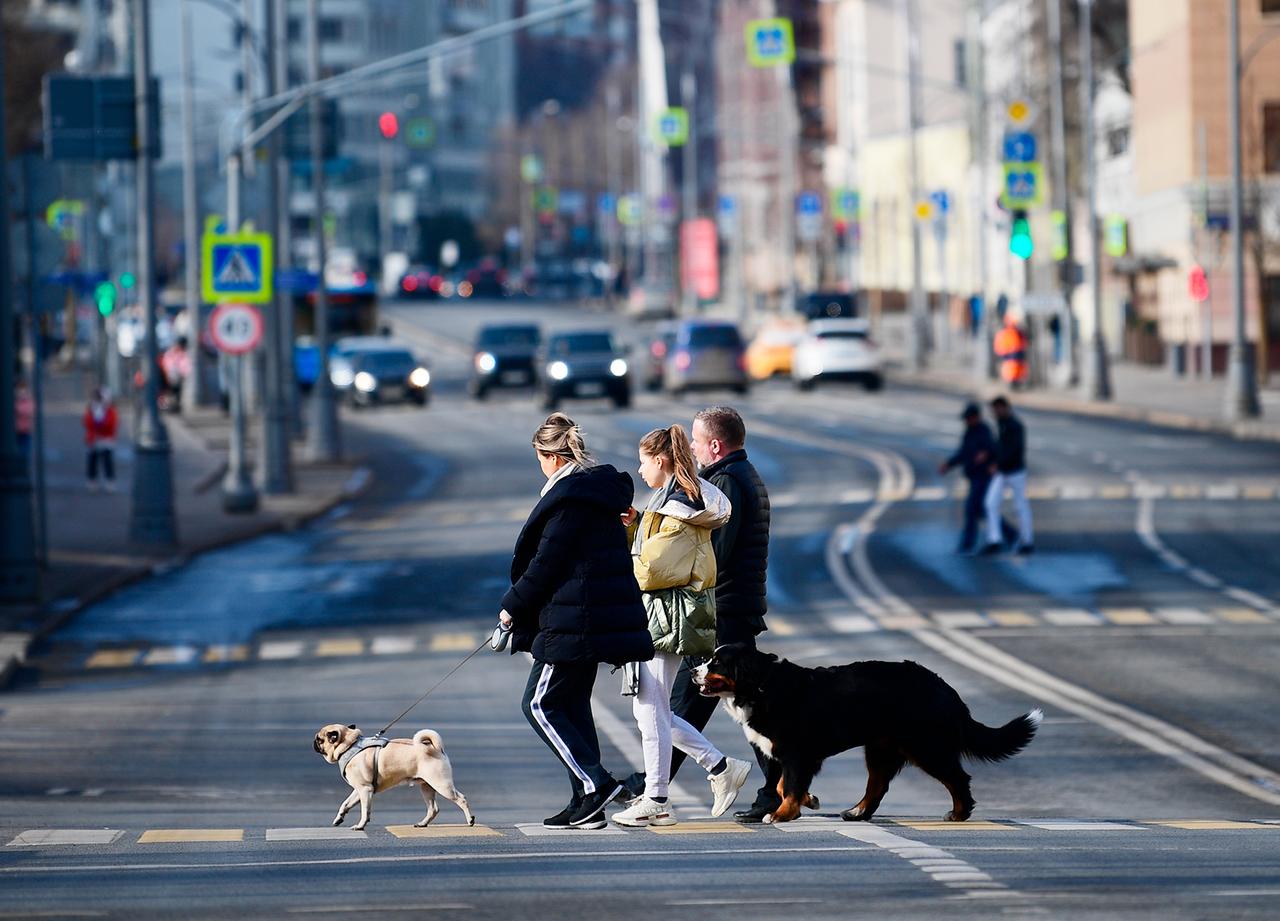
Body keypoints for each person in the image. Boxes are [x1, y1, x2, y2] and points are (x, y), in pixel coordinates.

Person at [623, 406, 779, 823]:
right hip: (731, 605)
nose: (691, 448)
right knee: (718, 700)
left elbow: (710, 551)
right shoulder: (740, 475)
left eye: (696, 441)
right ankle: (770, 785)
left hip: (718, 606)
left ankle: (657, 788)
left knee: (685, 702)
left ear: (715, 445)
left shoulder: (725, 481)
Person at [499, 413, 654, 830]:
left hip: (573, 618)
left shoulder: (570, 500)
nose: (540, 465)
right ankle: (585, 802)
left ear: (551, 456)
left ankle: (595, 784)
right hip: (586, 615)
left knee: (539, 704)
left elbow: (545, 564)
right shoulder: (592, 491)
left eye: (539, 457)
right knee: (572, 705)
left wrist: (512, 606)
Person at [938, 403, 996, 554]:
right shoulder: (969, 432)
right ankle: (1009, 535)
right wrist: (948, 464)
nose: (966, 421)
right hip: (974, 475)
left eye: (968, 418)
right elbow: (964, 453)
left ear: (976, 417)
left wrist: (986, 456)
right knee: (981, 510)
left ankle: (968, 544)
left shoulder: (984, 431)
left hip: (983, 476)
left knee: (971, 509)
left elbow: (993, 448)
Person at [980, 396, 1034, 555]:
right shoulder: (1002, 423)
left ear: (1004, 408)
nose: (994, 413)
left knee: (1020, 506)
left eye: (996, 409)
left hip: (1015, 472)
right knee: (991, 503)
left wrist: (998, 464)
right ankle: (994, 540)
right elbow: (1000, 448)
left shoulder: (1015, 426)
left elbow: (1014, 450)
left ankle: (1027, 542)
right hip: (1002, 472)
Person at [83, 387, 119, 493]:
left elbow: (111, 425)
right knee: (92, 461)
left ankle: (110, 481)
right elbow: (87, 422)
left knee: (107, 462)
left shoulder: (110, 411)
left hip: (106, 440)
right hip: (94, 440)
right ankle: (92, 480)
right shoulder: (92, 409)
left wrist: (101, 425)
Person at [993, 315, 1028, 389]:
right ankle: (1012, 382)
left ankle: (1016, 382)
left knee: (1016, 368)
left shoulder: (1017, 332)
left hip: (1016, 353)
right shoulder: (1005, 332)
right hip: (1009, 353)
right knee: (1011, 369)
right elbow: (999, 344)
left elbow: (1022, 342)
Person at [14, 380, 34, 460]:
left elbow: (28, 411)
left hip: (26, 430)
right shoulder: (15, 400)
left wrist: (17, 409)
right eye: (19, 390)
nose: (21, 393)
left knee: (25, 449)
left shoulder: (28, 401)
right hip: (16, 430)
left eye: (23, 390)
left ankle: (24, 462)